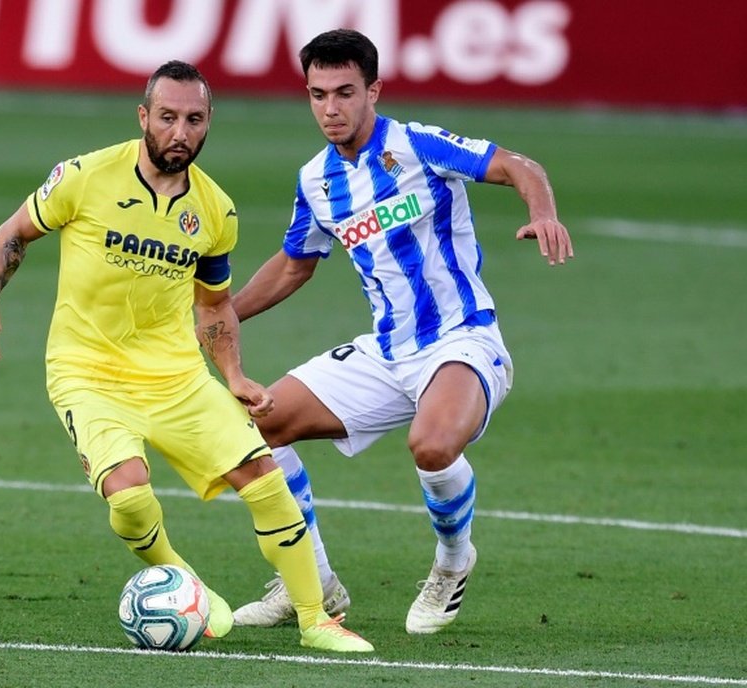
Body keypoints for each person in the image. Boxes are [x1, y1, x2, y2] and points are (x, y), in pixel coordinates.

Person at [0, 60, 373, 653]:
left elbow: (214, 306)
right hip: (86, 372)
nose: (180, 132)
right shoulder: (84, 175)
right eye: (167, 117)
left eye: (193, 119)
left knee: (263, 475)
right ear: (144, 117)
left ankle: (314, 619)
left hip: (174, 374)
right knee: (128, 494)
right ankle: (186, 581)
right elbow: (12, 234)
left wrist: (234, 376)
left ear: (208, 123)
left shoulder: (216, 211)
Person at [230, 30, 574, 634]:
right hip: (385, 354)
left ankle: (451, 562)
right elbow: (295, 263)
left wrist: (541, 211)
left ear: (374, 91)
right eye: (317, 95)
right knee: (254, 426)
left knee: (433, 445)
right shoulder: (315, 181)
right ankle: (312, 584)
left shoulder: (418, 145)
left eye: (344, 93)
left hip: (462, 340)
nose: (330, 109)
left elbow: (520, 166)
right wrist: (224, 314)